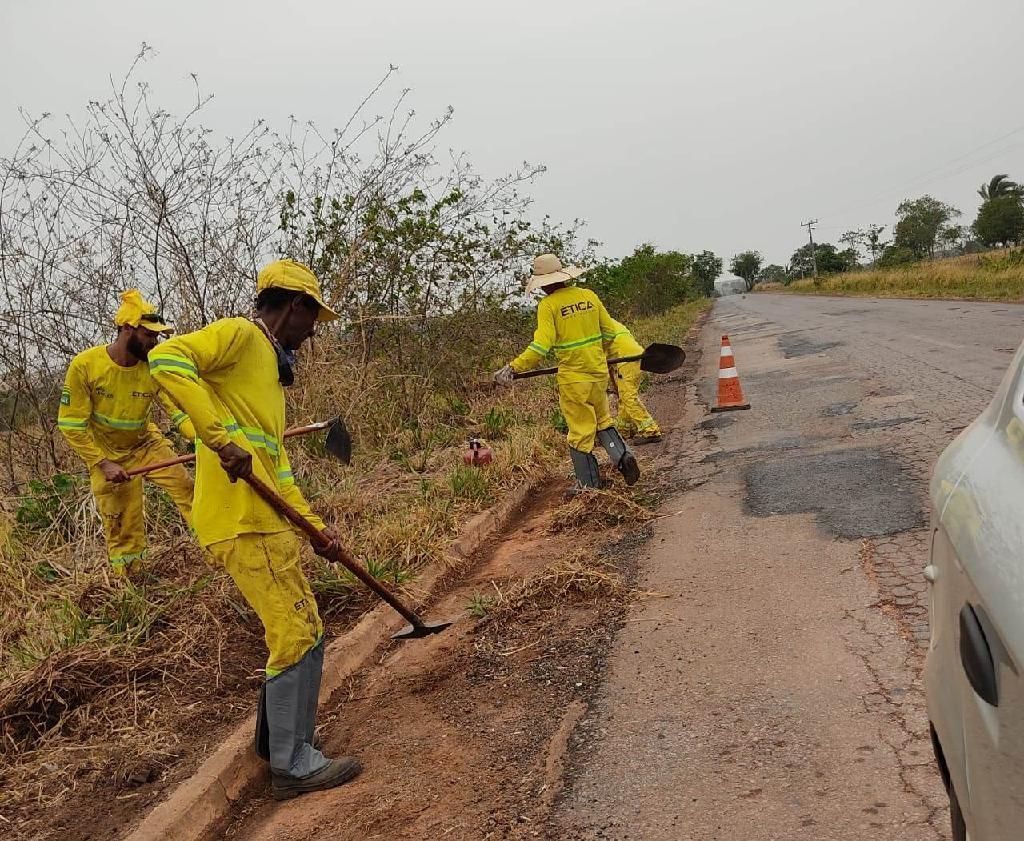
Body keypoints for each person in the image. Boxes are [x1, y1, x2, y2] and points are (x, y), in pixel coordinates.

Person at [148, 258, 361, 800]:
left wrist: (318, 531)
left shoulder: (266, 373)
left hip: (267, 522)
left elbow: (277, 470)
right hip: (241, 523)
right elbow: (167, 358)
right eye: (314, 319)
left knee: (305, 625)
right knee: (293, 632)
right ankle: (292, 766)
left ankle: (281, 744)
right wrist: (218, 439)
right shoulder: (242, 334)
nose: (314, 333)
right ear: (296, 307)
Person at [57, 290, 195, 576]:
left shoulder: (152, 366)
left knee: (188, 490)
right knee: (121, 523)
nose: (154, 342)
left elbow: (176, 407)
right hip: (107, 455)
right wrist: (102, 463)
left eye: (157, 336)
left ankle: (218, 553)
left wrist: (203, 438)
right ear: (127, 329)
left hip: (147, 445)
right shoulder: (86, 366)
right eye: (149, 335)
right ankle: (130, 582)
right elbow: (71, 424)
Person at [493, 254, 640, 491]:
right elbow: (610, 333)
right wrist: (595, 355)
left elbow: (540, 346)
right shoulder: (588, 296)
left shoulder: (548, 305)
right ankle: (623, 457)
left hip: (574, 379)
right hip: (598, 372)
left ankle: (588, 486)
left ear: (543, 284)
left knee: (580, 431)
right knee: (603, 420)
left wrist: (514, 367)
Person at [604, 318, 663, 444]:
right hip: (635, 357)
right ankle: (624, 430)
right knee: (624, 397)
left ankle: (651, 431)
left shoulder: (595, 327)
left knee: (628, 397)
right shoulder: (611, 322)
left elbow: (598, 355)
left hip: (627, 360)